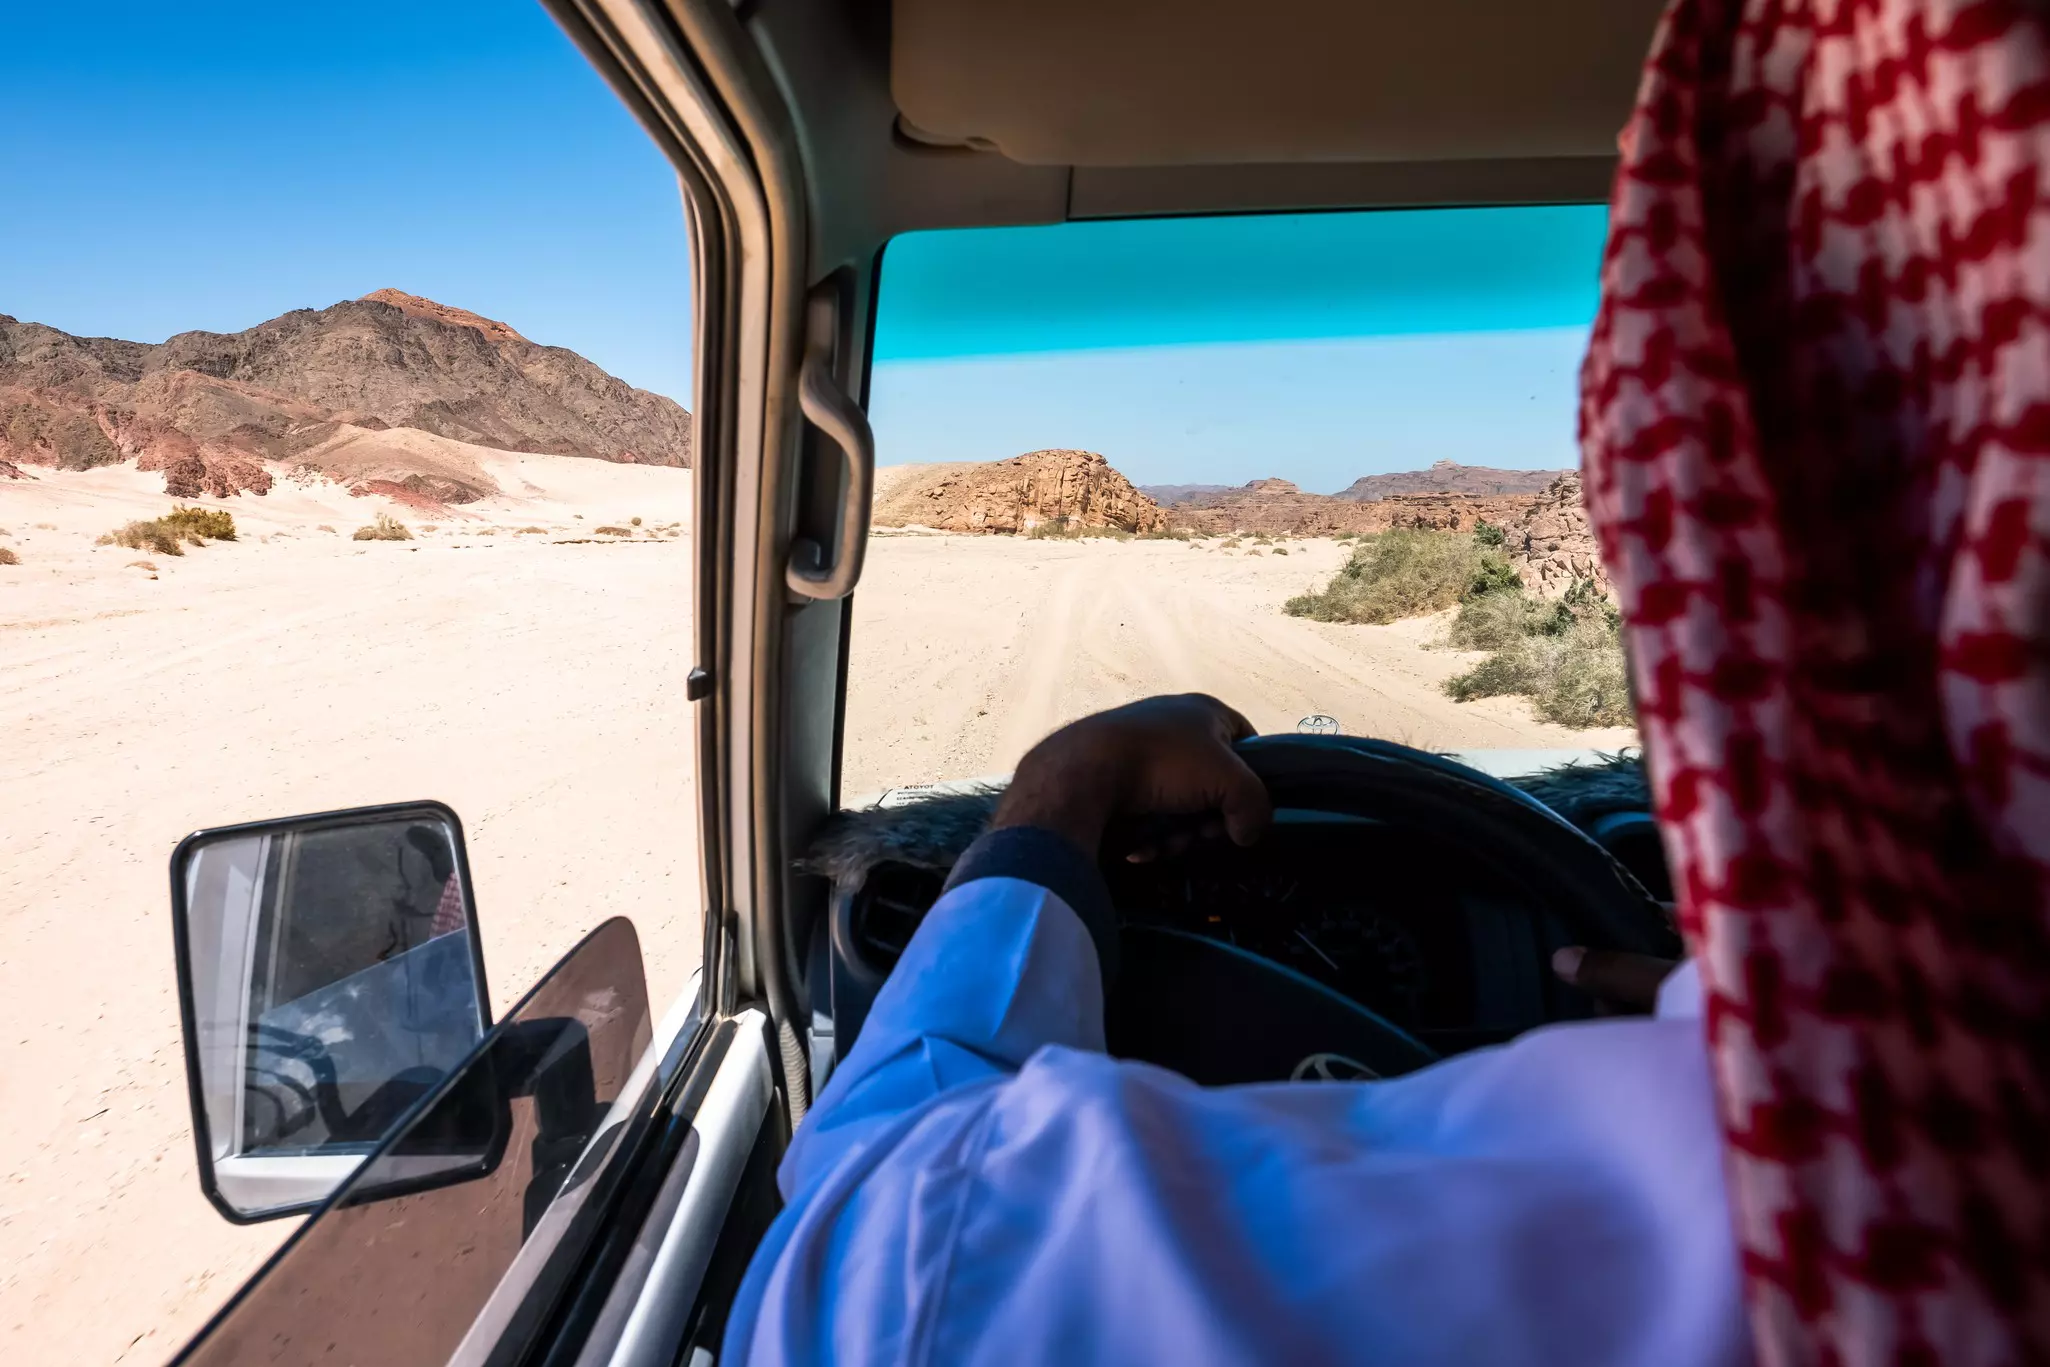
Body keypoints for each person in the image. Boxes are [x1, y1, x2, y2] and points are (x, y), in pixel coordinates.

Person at [730, 0, 2050, 1359]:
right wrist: (1727, 1004)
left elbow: (875, 1256)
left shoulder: (1801, 1165)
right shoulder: (1892, 1124)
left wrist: (1065, 782)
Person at [723, 695, 1746, 1367]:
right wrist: (1730, 1020)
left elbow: (888, 1234)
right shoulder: (1809, 1118)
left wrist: (1063, 783)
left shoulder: (965, 1297)